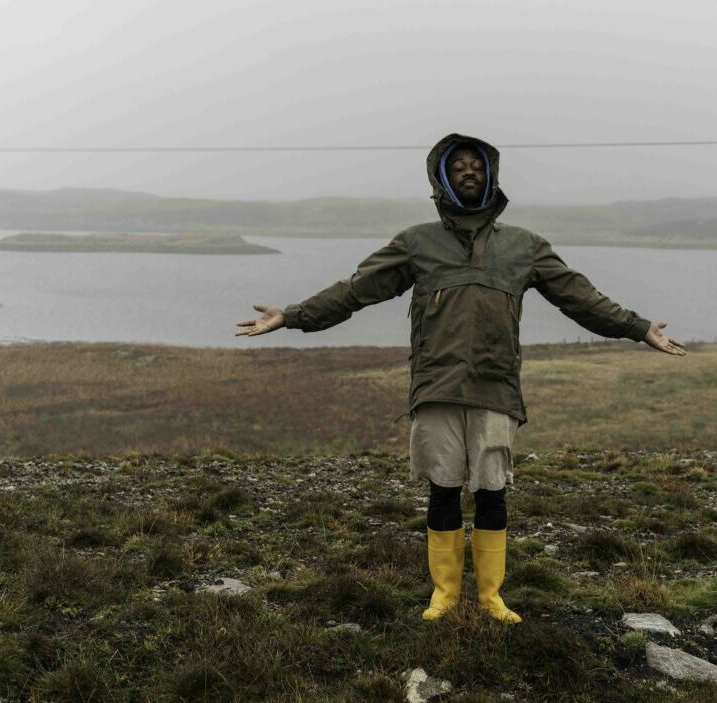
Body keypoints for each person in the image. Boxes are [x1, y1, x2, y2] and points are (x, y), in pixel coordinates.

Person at [236, 133, 686, 624]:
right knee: (443, 487)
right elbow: (355, 291)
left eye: (476, 166)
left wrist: (638, 327)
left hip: (496, 386)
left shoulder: (525, 247)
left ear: (490, 175)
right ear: (442, 178)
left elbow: (581, 299)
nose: (468, 172)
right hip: (436, 385)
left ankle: (491, 596)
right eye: (458, 167)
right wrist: (293, 315)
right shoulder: (416, 243)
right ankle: (445, 594)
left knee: (493, 489)